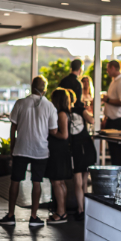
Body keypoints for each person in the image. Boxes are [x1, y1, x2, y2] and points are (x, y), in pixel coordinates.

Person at [0, 76, 58, 227]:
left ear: (32, 87)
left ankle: (10, 215)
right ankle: (33, 217)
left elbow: (13, 127)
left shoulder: (20, 103)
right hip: (40, 149)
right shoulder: (49, 106)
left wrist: (12, 147)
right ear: (45, 89)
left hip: (21, 148)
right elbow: (53, 130)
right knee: (37, 182)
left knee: (15, 181)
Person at [45, 88, 73, 224]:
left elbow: (64, 135)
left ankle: (61, 212)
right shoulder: (66, 113)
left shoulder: (61, 114)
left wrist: (52, 132)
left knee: (56, 182)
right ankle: (62, 211)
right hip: (61, 151)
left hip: (58, 152)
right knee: (60, 182)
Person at [68, 87, 96, 220]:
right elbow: (92, 120)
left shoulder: (63, 112)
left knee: (78, 180)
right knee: (84, 181)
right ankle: (85, 209)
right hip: (86, 145)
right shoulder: (79, 109)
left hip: (75, 147)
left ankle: (81, 209)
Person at [102, 60, 121, 165]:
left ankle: (120, 172)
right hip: (112, 119)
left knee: (118, 151)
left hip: (118, 121)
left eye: (108, 69)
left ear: (113, 68)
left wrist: (108, 100)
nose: (107, 71)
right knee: (113, 151)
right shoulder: (114, 81)